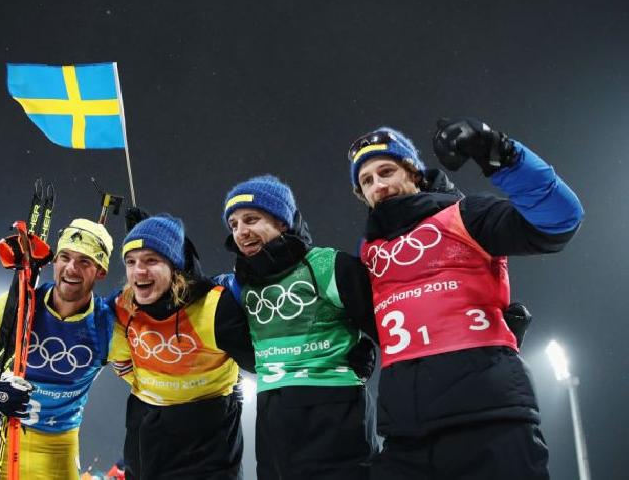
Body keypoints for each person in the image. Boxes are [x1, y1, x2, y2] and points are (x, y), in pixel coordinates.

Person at [347, 118, 584, 479]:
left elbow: (561, 220)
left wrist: (503, 155)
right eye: (367, 181)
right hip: (406, 437)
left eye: (386, 171)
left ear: (414, 172)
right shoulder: (368, 252)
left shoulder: (464, 215)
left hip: (489, 422)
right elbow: (376, 320)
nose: (379, 185)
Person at [220, 175, 379, 480]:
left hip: (335, 413)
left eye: (251, 219)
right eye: (234, 225)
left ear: (282, 222)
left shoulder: (328, 265)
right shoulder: (240, 284)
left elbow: (384, 322)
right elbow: (188, 291)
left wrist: (366, 350)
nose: (241, 232)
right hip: (273, 418)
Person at [0, 218, 116, 479]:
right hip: (6, 444)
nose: (71, 268)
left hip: (60, 451)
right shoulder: (14, 307)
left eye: (84, 261)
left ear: (101, 270)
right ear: (54, 261)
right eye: (65, 257)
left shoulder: (109, 325)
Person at [108, 214, 254, 480]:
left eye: (151, 260)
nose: (138, 271)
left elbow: (262, 360)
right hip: (148, 429)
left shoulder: (214, 307)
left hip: (208, 435)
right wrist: (160, 385)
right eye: (131, 262)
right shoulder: (122, 308)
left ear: (175, 266)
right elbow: (119, 361)